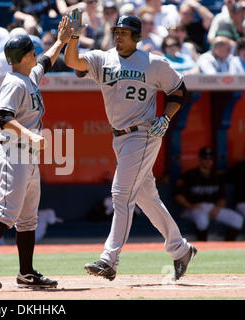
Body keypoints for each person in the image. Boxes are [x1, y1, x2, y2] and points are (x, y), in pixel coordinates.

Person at [64, 11, 197, 282]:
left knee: (121, 195)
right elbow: (72, 61)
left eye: (124, 33)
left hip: (144, 133)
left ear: (137, 37)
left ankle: (109, 259)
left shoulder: (153, 63)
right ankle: (180, 249)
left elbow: (179, 91)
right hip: (119, 137)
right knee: (147, 198)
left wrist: (166, 117)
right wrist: (73, 37)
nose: (118, 36)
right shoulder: (103, 58)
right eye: (116, 32)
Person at [0, 16, 72, 290]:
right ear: (25, 56)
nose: (37, 55)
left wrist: (60, 41)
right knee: (7, 213)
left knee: (28, 219)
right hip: (14, 153)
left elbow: (46, 61)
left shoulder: (29, 75)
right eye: (33, 52)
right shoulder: (14, 82)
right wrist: (30, 135)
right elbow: (2, 118)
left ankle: (26, 273)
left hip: (28, 157)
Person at [174, 147, 244, 241]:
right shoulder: (190, 175)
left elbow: (222, 198)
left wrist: (217, 208)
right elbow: (178, 195)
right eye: (205, 158)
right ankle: (204, 246)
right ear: (200, 159)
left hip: (212, 207)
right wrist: (190, 206)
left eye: (210, 158)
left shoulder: (216, 177)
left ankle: (227, 246)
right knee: (202, 220)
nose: (208, 161)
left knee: (237, 219)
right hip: (193, 208)